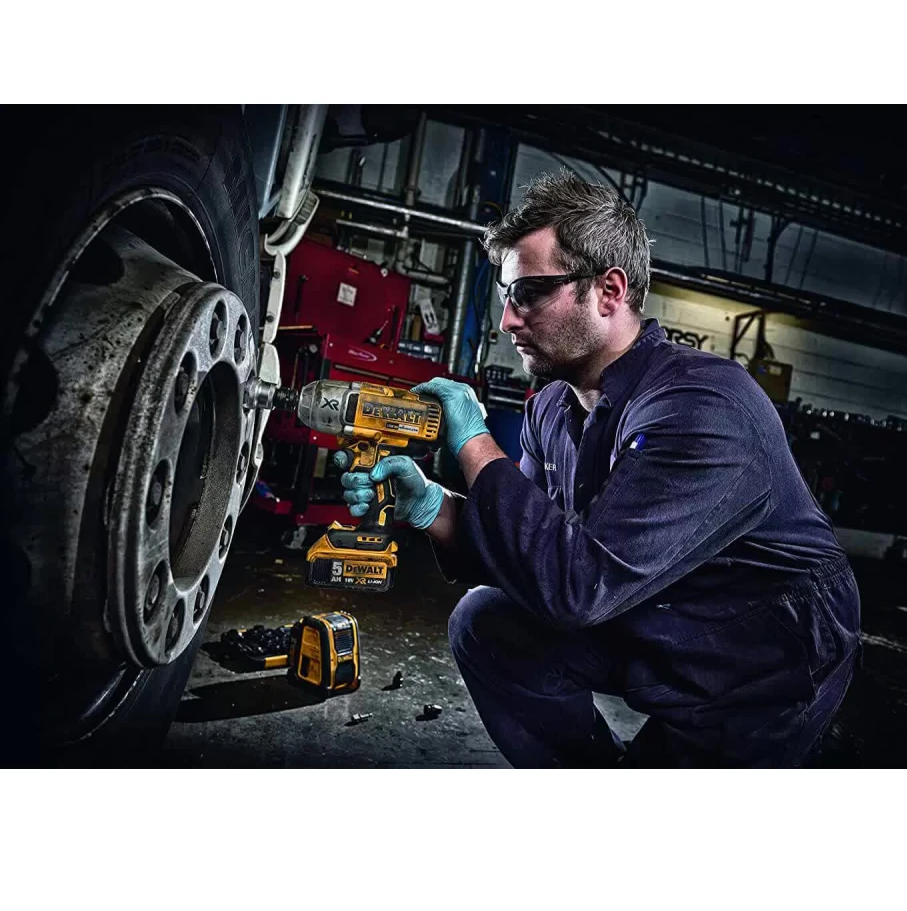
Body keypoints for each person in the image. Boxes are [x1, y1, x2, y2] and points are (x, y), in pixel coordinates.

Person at [337, 172, 861, 768]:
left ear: (609, 291)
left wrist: (475, 442)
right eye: (507, 295)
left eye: (529, 292)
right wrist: (435, 508)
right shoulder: (552, 408)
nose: (508, 320)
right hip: (652, 610)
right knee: (489, 623)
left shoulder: (703, 406)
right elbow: (533, 556)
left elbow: (577, 588)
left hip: (760, 658)